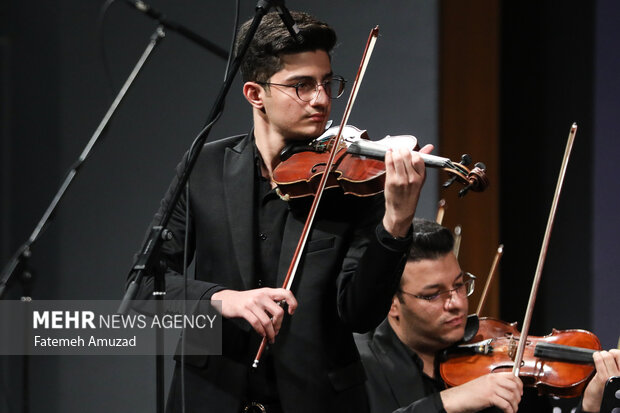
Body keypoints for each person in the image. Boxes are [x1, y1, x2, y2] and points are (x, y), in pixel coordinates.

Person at [132, 11, 433, 413]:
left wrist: (397, 221)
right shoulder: (204, 166)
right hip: (211, 394)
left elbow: (360, 312)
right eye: (302, 86)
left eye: (327, 83)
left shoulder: (351, 179)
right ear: (256, 94)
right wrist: (222, 299)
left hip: (319, 399)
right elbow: (143, 288)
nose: (322, 99)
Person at [356, 218, 620, 413]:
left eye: (459, 285)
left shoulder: (504, 363)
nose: (457, 303)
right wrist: (447, 402)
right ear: (391, 302)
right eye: (433, 295)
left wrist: (590, 408)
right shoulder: (359, 368)